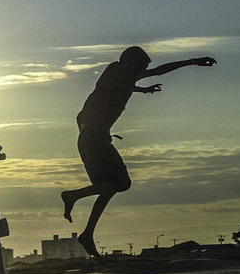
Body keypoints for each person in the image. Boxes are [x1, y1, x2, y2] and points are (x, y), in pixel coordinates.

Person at [60, 46, 216, 256]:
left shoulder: (116, 75)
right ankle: (72, 196)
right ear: (131, 63)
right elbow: (159, 71)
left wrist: (143, 90)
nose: (144, 70)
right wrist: (193, 61)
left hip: (92, 139)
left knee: (109, 186)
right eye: (142, 66)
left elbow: (120, 89)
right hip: (95, 139)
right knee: (122, 183)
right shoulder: (121, 71)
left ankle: (87, 234)